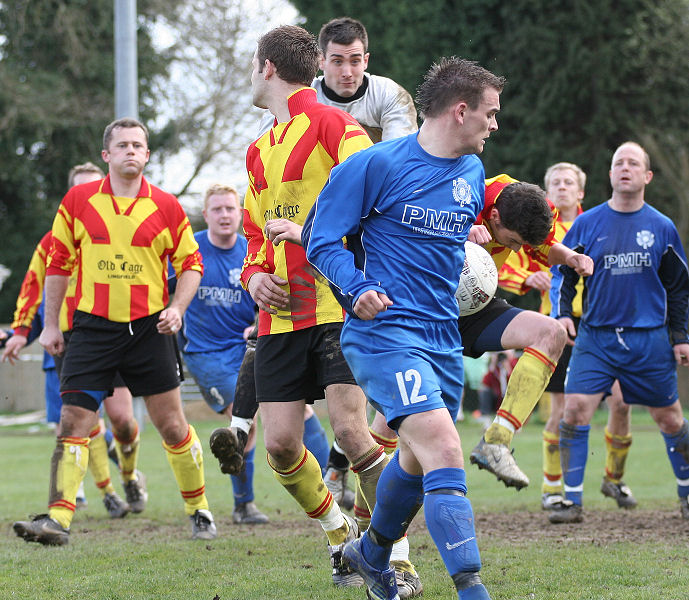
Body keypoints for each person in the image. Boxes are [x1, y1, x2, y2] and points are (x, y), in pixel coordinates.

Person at [303, 55, 505, 600]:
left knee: (414, 460)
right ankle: (472, 588)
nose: (494, 124)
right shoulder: (376, 165)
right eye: (490, 113)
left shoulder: (471, 173)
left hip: (442, 339)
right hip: (385, 333)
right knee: (443, 448)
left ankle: (370, 554)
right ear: (461, 111)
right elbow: (317, 237)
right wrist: (356, 287)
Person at [239, 24, 409, 592]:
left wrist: (310, 228)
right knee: (282, 445)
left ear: (266, 68)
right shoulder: (258, 149)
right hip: (279, 317)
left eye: (251, 65)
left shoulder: (337, 125)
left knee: (353, 433)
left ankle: (397, 556)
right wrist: (255, 276)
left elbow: (380, 199)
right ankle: (341, 537)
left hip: (336, 308)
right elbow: (252, 234)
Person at [12, 118, 215, 545]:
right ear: (107, 155)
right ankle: (58, 519)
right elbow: (57, 265)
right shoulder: (78, 200)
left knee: (173, 426)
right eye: (121, 145)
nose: (130, 151)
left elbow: (192, 265)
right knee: (73, 420)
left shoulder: (167, 206)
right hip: (90, 329)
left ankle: (199, 509)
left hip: (149, 328)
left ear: (146, 155)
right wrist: (49, 325)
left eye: (137, 145)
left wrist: (177, 309)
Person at [547, 141, 689, 524]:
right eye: (618, 163)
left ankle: (686, 493)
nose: (625, 168)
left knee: (670, 420)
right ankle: (572, 502)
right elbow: (561, 272)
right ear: (610, 175)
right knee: (575, 411)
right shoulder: (587, 223)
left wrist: (681, 336)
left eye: (633, 163)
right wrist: (562, 314)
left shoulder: (662, 227)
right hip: (596, 337)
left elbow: (679, 286)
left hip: (649, 338)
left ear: (646, 176)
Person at [2, 161, 144, 519]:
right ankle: (108, 493)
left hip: (119, 331)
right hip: (73, 339)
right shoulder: (53, 239)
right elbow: (33, 285)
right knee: (86, 419)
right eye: (78, 189)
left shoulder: (125, 229)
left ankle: (128, 476)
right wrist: (21, 331)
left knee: (123, 422)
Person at [499, 162, 636, 510]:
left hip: (603, 327)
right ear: (547, 192)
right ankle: (552, 489)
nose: (561, 187)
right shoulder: (539, 228)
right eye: (555, 182)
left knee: (621, 402)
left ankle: (614, 478)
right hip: (558, 327)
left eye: (568, 182)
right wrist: (526, 280)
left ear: (581, 192)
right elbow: (506, 267)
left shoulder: (601, 225)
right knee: (560, 410)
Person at [457, 172, 594, 490]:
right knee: (403, 431)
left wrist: (570, 257)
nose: (517, 251)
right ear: (493, 217)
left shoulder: (532, 210)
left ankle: (497, 442)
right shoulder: (463, 199)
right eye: (513, 242)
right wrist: (458, 231)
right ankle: (344, 468)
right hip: (427, 313)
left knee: (551, 333)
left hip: (475, 306)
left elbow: (546, 248)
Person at [178, 183, 270, 525]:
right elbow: (165, 284)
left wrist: (256, 322)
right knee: (241, 411)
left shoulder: (250, 250)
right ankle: (244, 504)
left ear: (240, 212)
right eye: (217, 209)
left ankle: (334, 482)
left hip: (244, 348)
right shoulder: (193, 248)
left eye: (231, 208)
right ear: (206, 215)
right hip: (205, 352)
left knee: (298, 412)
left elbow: (265, 295)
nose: (225, 215)